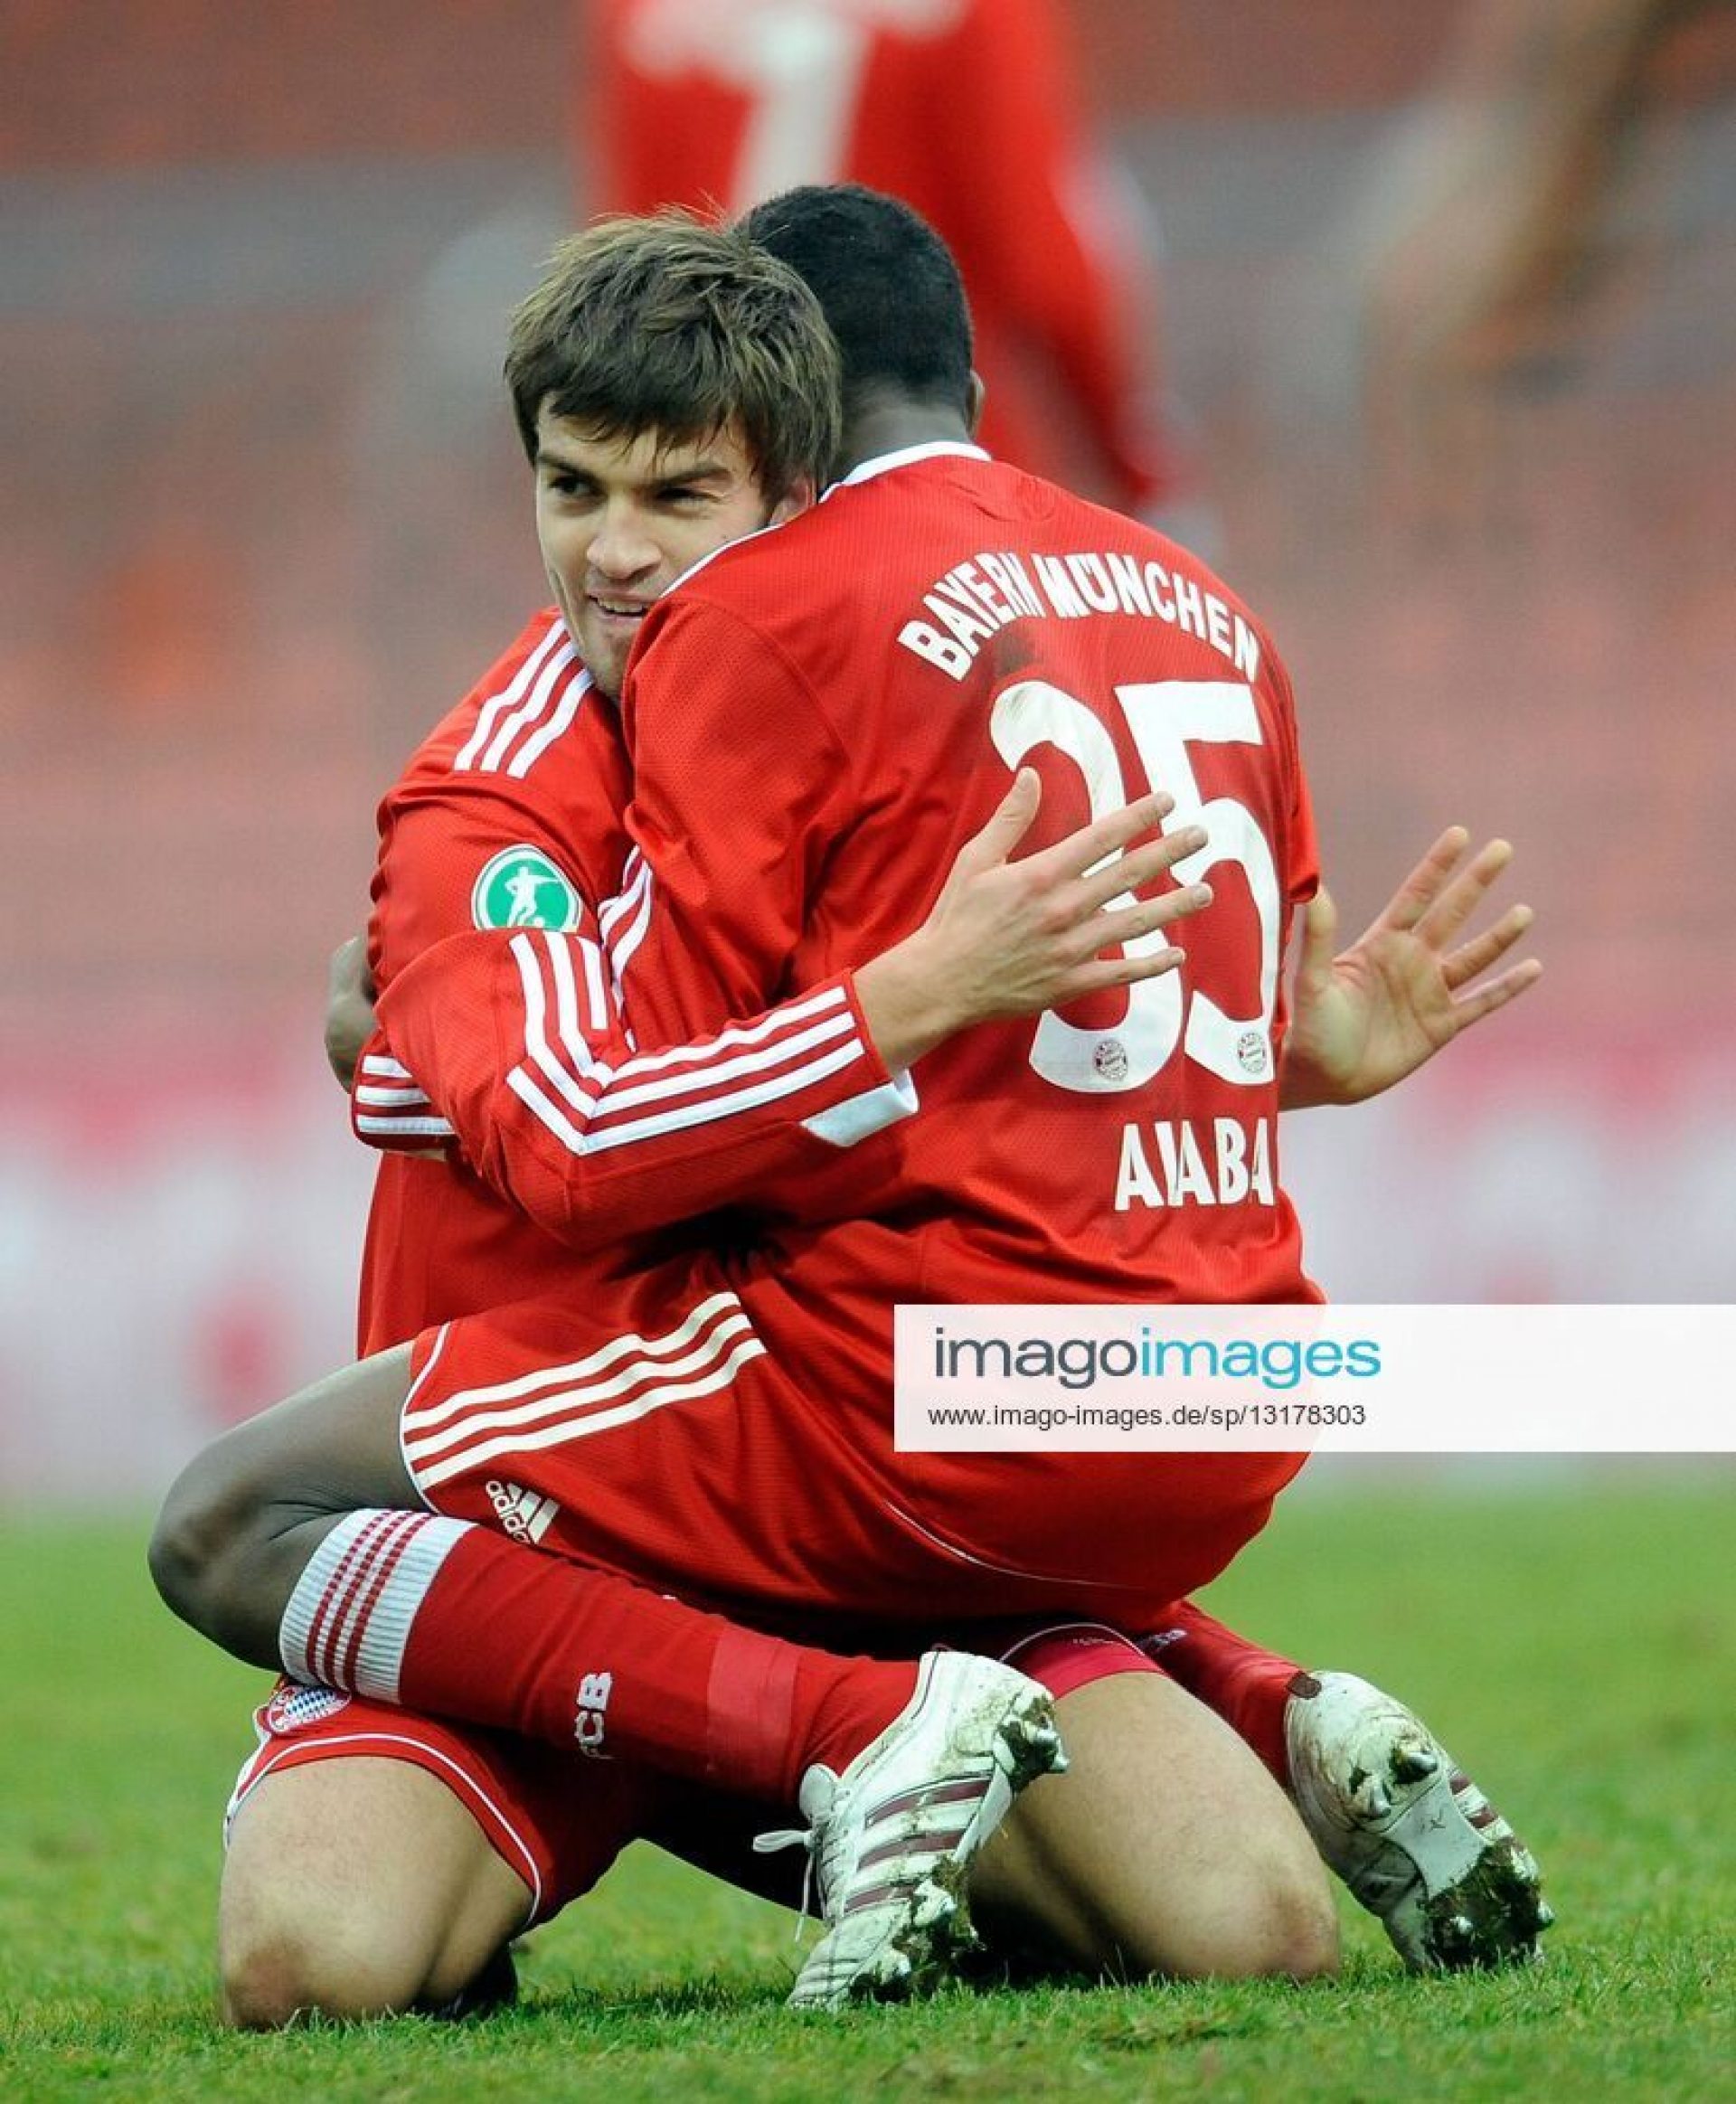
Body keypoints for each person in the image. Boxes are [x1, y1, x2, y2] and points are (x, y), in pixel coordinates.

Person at [155, 200, 1545, 2023]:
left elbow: (1008, 1067)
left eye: (681, 496)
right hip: (535, 1534)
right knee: (312, 1956)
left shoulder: (861, 716)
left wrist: (1275, 1046)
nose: (618, 554)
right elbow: (583, 1125)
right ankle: (1066, 1706)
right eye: (575, 492)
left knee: (1249, 1926)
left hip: (797, 1494)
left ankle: (1040, 1714)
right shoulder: (502, 794)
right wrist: (430, 1057)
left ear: (798, 493)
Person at [586, 0, 1197, 527]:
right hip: (929, 473)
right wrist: (1142, 475)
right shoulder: (974, 13)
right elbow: (1050, 275)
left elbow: (626, 271)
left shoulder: (639, 14)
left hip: (716, 479)